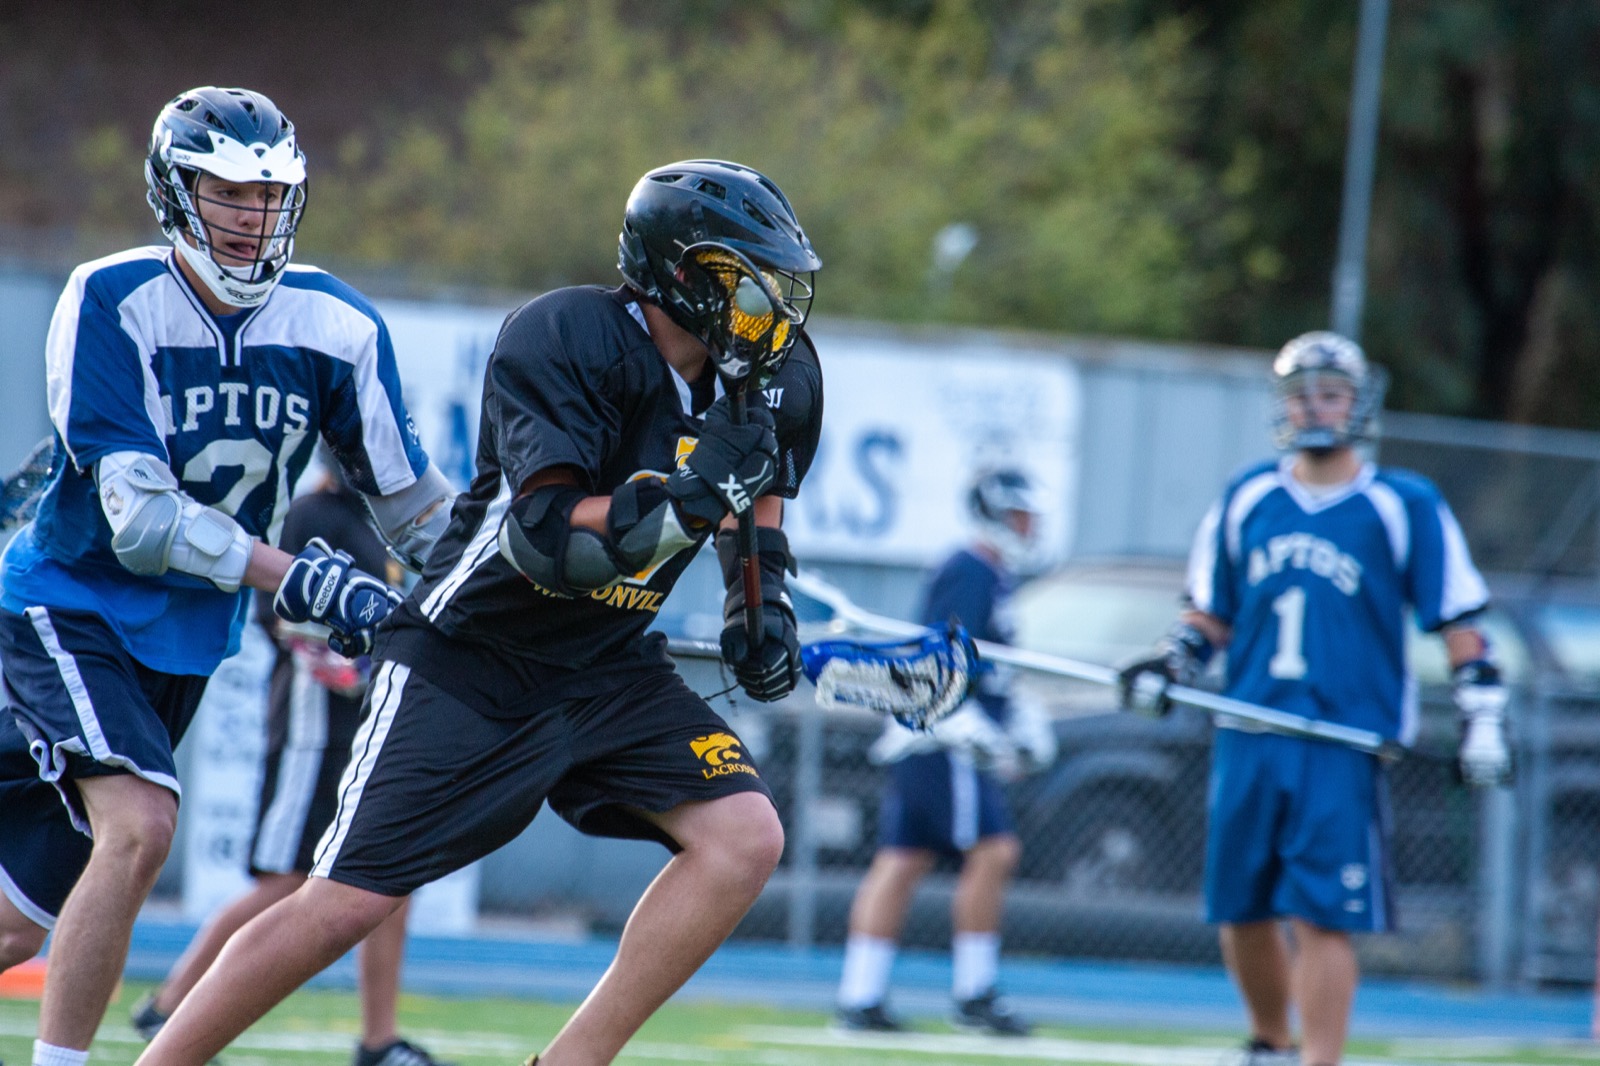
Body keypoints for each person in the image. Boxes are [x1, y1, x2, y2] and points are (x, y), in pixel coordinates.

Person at [136, 158, 825, 1066]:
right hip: (474, 656)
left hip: (608, 662)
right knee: (344, 900)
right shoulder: (568, 337)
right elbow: (551, 544)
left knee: (743, 837)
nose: (767, 307)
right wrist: (696, 499)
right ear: (680, 272)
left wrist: (758, 602)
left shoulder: (779, 378)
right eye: (745, 279)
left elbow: (758, 495)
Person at [0, 85, 455, 1066]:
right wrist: (304, 577)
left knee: (18, 924)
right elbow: (142, 516)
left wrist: (520, 571)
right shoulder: (111, 298)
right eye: (228, 193)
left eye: (270, 196)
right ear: (175, 192)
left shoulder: (335, 325)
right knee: (142, 821)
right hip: (67, 602)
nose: (252, 218)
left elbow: (416, 508)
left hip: (183, 638)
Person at [1117, 332, 1512, 1066]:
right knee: (1241, 909)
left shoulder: (1402, 503)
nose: (1314, 406)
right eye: (1300, 395)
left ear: (1358, 402)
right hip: (1250, 729)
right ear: (1283, 407)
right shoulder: (1249, 497)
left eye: (1329, 392)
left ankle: (1318, 1061)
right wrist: (1170, 662)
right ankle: (1270, 1042)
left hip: (1341, 738)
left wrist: (1481, 714)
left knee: (1323, 915)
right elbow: (1209, 612)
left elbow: (1458, 620)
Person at [128, 465, 450, 1066]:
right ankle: (169, 1006)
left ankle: (379, 1040)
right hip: (312, 727)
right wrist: (352, 670)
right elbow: (285, 616)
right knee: (285, 883)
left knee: (392, 878)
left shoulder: (384, 521)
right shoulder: (312, 513)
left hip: (373, 729)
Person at [835, 468, 1057, 1037]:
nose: (1027, 527)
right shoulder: (971, 568)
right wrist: (969, 722)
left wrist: (1018, 716)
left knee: (903, 859)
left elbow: (993, 664)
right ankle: (974, 992)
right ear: (993, 513)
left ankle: (861, 994)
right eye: (1019, 515)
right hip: (943, 735)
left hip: (939, 732)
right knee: (995, 850)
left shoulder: (992, 573)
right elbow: (941, 657)